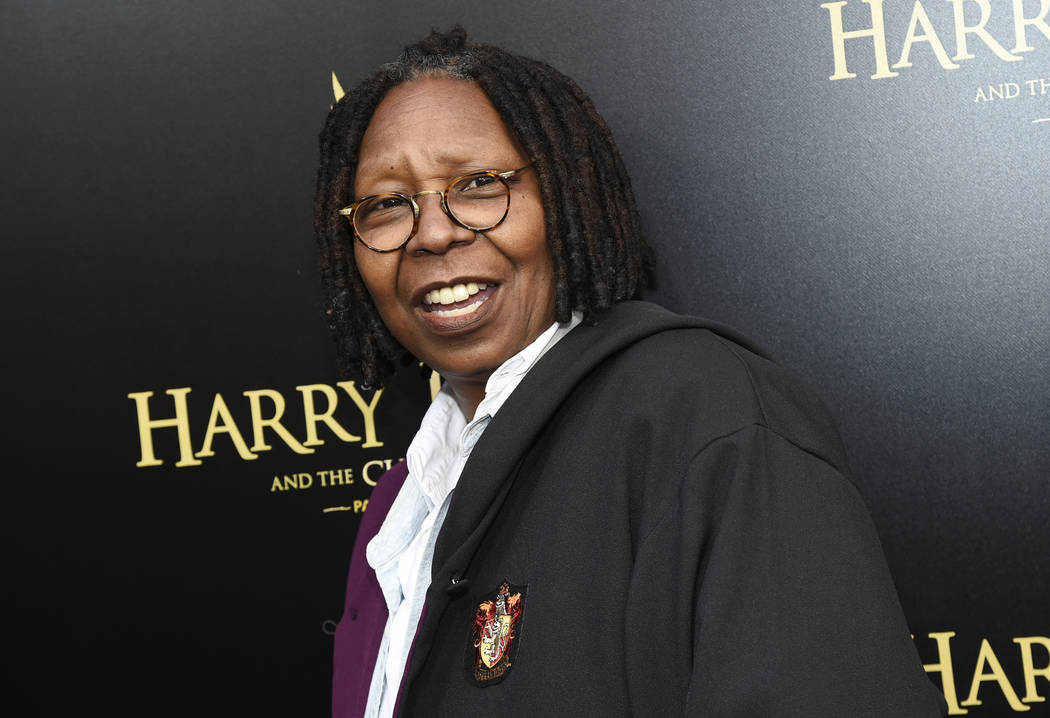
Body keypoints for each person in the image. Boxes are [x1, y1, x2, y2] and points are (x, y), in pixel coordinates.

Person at [314, 27, 946, 718]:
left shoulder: (705, 416)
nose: (432, 233)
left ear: (568, 198)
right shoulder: (403, 503)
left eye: (477, 184)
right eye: (384, 204)